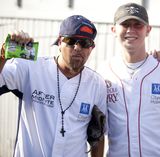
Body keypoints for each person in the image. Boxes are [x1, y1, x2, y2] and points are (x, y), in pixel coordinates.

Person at [0, 15, 107, 157]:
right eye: (71, 40)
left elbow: (97, 136)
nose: (77, 47)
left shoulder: (97, 84)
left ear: (91, 48)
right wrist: (2, 56)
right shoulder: (31, 69)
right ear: (60, 41)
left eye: (85, 43)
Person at [98, 3, 160, 157]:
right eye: (125, 24)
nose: (130, 30)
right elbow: (98, 125)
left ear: (148, 30)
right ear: (113, 30)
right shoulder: (104, 71)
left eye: (137, 24)